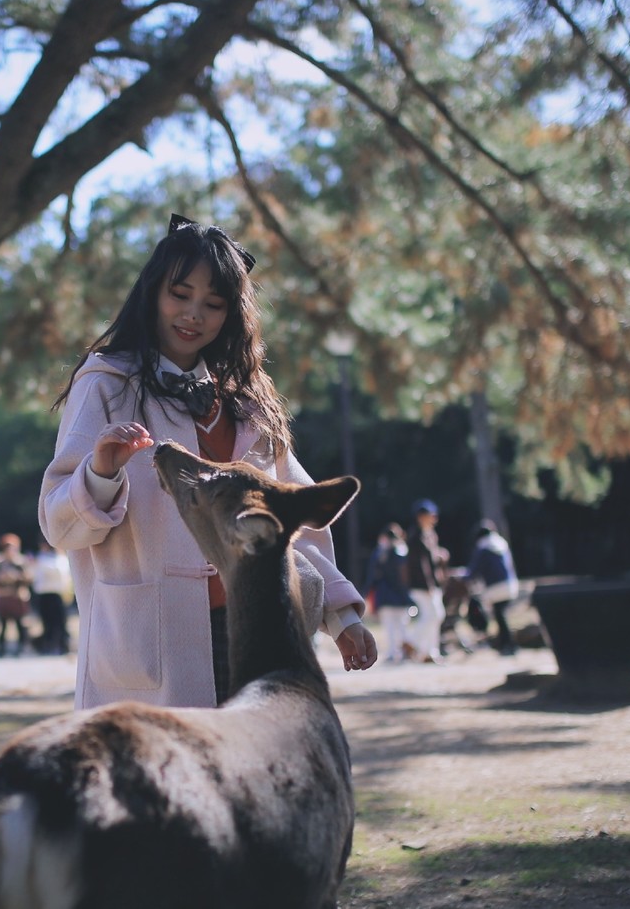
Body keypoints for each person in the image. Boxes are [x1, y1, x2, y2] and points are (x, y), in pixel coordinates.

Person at [39, 212, 378, 709]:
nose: (194, 313)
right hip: (151, 649)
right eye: (180, 294)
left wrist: (341, 615)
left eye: (213, 303)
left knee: (251, 777)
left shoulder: (247, 402)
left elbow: (293, 515)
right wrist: (102, 473)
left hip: (256, 638)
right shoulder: (106, 384)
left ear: (231, 314)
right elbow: (59, 526)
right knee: (161, 782)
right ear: (153, 291)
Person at [467, 519, 520, 655]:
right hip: (510, 584)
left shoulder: (484, 547)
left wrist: (464, 578)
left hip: (495, 587)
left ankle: (507, 645)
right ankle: (507, 644)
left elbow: (474, 570)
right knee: (501, 615)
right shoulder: (501, 544)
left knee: (499, 616)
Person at [406, 499, 449, 664]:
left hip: (432, 583)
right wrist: (429, 584)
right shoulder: (416, 536)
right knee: (433, 614)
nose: (433, 518)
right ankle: (412, 641)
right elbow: (420, 564)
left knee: (437, 615)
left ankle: (429, 651)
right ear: (420, 517)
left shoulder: (430, 534)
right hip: (421, 584)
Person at [363, 523, 414, 663]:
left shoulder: (380, 553)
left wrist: (367, 592)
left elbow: (372, 576)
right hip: (402, 595)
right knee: (403, 626)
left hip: (385, 594)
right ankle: (405, 652)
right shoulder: (403, 552)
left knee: (390, 627)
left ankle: (393, 653)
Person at [0, 534, 32, 657]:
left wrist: (16, 577)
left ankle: (23, 648)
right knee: (3, 625)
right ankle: (1, 649)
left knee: (20, 625)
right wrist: (1, 578)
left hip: (17, 598)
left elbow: (28, 578)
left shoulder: (21, 562)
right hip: (3, 598)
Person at [31, 540, 73, 654]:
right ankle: (49, 645)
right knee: (47, 622)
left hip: (57, 593)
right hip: (44, 594)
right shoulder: (41, 557)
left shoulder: (57, 558)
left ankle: (63, 646)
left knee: (60, 622)